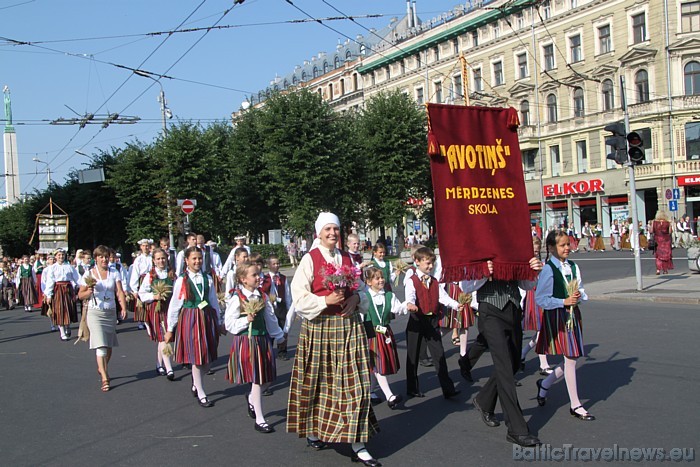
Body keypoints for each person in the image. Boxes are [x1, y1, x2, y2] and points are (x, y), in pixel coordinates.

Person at [288, 212, 380, 466]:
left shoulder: (349, 258)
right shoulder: (310, 259)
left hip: (349, 327)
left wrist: (356, 298)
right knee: (322, 382)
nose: (332, 233)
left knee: (358, 384)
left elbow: (363, 289)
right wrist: (324, 300)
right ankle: (316, 431)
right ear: (319, 232)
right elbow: (298, 298)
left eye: (335, 229)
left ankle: (358, 442)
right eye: (327, 229)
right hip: (321, 327)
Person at [461, 255, 543, 447]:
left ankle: (484, 400)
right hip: (490, 311)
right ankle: (517, 429)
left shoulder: (512, 248)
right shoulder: (479, 251)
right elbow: (466, 287)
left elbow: (526, 285)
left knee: (513, 363)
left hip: (513, 309)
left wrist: (533, 272)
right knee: (505, 368)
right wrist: (484, 272)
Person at [535, 230, 593, 421]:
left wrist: (578, 296)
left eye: (568, 244)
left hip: (572, 314)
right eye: (562, 245)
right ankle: (575, 404)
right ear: (551, 248)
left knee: (573, 356)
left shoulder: (573, 267)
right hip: (558, 316)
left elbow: (581, 289)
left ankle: (545, 384)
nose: (567, 248)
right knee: (571, 358)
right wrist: (563, 301)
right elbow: (541, 299)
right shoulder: (548, 269)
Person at [225, 261, 285, 433]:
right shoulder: (238, 298)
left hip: (262, 340)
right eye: (254, 275)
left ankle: (251, 398)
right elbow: (229, 323)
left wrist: (279, 336)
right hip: (247, 341)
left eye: (259, 274)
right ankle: (260, 419)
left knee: (267, 378)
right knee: (257, 379)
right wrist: (246, 320)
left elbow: (271, 319)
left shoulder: (262, 296)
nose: (259, 278)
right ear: (243, 279)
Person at [165, 246, 223, 408]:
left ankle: (196, 382)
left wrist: (218, 321)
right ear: (186, 261)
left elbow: (213, 301)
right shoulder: (182, 280)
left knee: (208, 357)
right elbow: (175, 305)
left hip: (206, 317)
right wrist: (170, 328)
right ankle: (201, 391)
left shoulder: (207, 278)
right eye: (194, 259)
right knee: (197, 356)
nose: (197, 261)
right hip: (190, 318)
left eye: (199, 258)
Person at [404, 246, 462, 400]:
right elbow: (409, 296)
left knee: (439, 355)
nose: (430, 266)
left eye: (432, 264)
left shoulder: (435, 281)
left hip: (432, 322)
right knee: (413, 356)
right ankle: (412, 388)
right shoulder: (412, 281)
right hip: (416, 321)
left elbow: (442, 297)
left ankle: (448, 389)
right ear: (417, 262)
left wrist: (456, 305)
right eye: (427, 263)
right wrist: (410, 304)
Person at [77, 246, 128, 392]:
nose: (104, 259)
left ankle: (102, 366)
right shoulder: (89, 273)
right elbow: (80, 295)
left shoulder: (114, 272)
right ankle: (105, 377)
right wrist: (88, 291)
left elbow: (119, 291)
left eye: (106, 256)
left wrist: (123, 307)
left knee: (109, 345)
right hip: (95, 311)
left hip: (110, 311)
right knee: (100, 344)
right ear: (96, 258)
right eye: (101, 257)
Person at [359, 267, 406, 409]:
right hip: (370, 334)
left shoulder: (389, 296)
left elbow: (398, 309)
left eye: (381, 277)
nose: (381, 280)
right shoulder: (364, 296)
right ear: (368, 282)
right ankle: (389, 396)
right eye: (377, 278)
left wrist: (407, 305)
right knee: (377, 364)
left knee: (376, 366)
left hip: (385, 333)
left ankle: (370, 391)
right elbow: (360, 317)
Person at [138, 248, 176, 380]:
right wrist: (154, 296)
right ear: (154, 260)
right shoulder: (150, 276)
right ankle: (169, 368)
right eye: (158, 259)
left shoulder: (172, 274)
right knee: (162, 337)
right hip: (156, 309)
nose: (161, 261)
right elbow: (142, 294)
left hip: (169, 308)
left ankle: (159, 364)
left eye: (163, 258)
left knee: (166, 336)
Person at [520, 237, 552, 375]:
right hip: (533, 297)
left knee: (541, 331)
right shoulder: (526, 264)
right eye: (534, 251)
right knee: (541, 331)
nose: (536, 254)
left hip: (543, 297)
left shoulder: (543, 263)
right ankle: (543, 364)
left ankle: (522, 354)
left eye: (538, 251)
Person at [44, 249, 80, 341]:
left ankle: (68, 326)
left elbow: (77, 278)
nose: (61, 257)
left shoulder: (69, 267)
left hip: (68, 289)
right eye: (59, 255)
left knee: (69, 308)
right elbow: (50, 281)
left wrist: (81, 286)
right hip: (58, 290)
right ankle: (62, 332)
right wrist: (48, 295)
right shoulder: (53, 268)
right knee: (59, 310)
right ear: (56, 256)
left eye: (62, 255)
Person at [265, 254, 292, 360]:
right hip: (270, 306)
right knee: (270, 328)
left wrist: (288, 307)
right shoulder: (266, 278)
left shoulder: (283, 278)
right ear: (268, 265)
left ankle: (282, 351)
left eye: (278, 263)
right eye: (274, 264)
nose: (276, 266)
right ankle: (269, 351)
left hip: (281, 306)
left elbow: (287, 293)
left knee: (282, 328)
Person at [130, 239, 153, 330]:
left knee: (150, 298)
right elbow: (135, 273)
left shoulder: (152, 257)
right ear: (141, 247)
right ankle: (141, 320)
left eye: (147, 246)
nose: (145, 247)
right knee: (140, 301)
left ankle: (150, 318)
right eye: (143, 246)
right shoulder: (138, 259)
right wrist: (134, 289)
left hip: (151, 278)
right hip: (142, 279)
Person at [40, 253, 56, 331]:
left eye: (53, 259)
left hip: (56, 290)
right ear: (48, 260)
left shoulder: (56, 268)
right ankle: (52, 324)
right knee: (50, 308)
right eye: (50, 259)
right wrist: (44, 292)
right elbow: (43, 281)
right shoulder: (45, 270)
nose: (52, 261)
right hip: (48, 290)